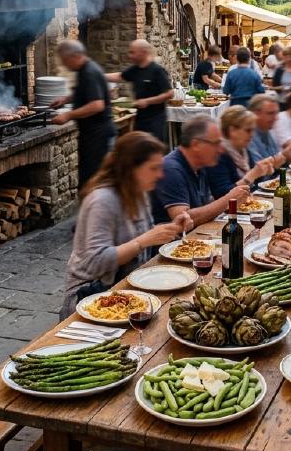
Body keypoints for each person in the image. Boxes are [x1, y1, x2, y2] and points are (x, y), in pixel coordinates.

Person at [62, 132, 193, 317]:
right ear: (131, 168)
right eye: (154, 168)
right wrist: (144, 241)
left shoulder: (138, 192)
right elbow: (96, 260)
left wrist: (171, 228)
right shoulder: (102, 200)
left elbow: (142, 235)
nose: (161, 174)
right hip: (92, 297)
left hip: (129, 287)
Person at [151, 116, 250, 225]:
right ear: (196, 145)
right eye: (215, 144)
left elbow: (206, 205)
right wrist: (229, 200)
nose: (220, 150)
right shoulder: (171, 169)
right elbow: (183, 220)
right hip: (174, 241)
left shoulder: (200, 165)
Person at [50, 40, 116, 189]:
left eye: (64, 60)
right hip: (93, 134)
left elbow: (97, 105)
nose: (64, 64)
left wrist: (68, 115)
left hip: (98, 135)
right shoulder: (84, 70)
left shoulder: (89, 72)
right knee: (90, 177)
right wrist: (66, 99)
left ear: (75, 56)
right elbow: (86, 93)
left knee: (93, 179)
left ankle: (94, 209)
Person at [106, 40, 173, 142]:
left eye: (133, 52)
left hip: (155, 120)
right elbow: (120, 76)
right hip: (140, 118)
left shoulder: (157, 71)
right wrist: (98, 75)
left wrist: (148, 101)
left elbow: (169, 93)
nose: (130, 55)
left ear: (143, 52)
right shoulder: (135, 69)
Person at [205, 107, 275, 198]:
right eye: (248, 130)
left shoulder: (242, 148)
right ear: (232, 130)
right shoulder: (219, 154)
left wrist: (263, 172)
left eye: (253, 130)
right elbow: (221, 195)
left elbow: (255, 183)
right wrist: (252, 175)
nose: (252, 134)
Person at [247, 94, 291, 167]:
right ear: (255, 114)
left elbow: (276, 161)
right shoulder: (247, 135)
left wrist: (287, 159)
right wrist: (285, 156)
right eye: (270, 113)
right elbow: (259, 173)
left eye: (276, 113)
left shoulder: (266, 130)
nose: (276, 118)